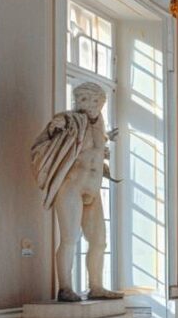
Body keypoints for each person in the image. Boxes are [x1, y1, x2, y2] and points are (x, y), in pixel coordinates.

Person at [30, 82, 122, 301]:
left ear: (101, 103)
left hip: (92, 189)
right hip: (71, 186)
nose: (89, 104)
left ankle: (96, 286)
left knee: (99, 241)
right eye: (83, 99)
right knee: (70, 237)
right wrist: (54, 130)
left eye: (94, 100)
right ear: (77, 100)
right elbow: (42, 144)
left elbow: (95, 154)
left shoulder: (100, 126)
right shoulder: (68, 120)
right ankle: (65, 287)